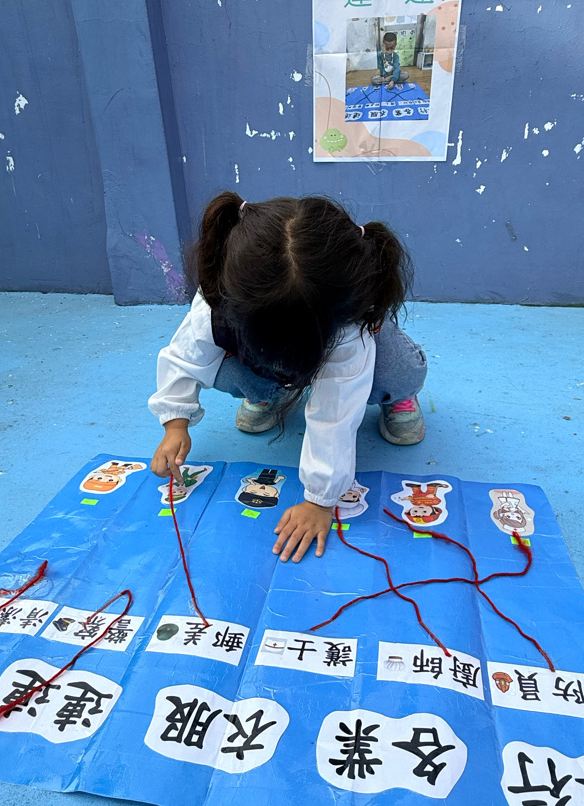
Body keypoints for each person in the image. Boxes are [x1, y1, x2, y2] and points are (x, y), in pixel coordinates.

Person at [149, 193, 427, 564]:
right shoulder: (221, 294)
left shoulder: (347, 318)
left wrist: (320, 501)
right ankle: (269, 391)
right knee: (223, 365)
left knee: (396, 372)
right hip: (279, 355)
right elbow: (184, 359)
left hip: (365, 349)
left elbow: (335, 412)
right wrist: (175, 424)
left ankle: (397, 396)